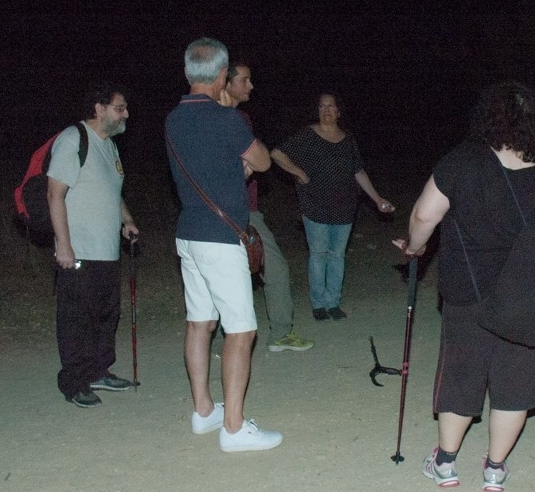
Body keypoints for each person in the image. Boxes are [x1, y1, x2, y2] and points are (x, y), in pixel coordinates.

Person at [395, 82, 535, 492]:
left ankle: (445, 463)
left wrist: (414, 247)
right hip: (532, 295)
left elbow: (424, 216)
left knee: (462, 373)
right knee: (517, 382)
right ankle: (495, 468)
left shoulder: (462, 162)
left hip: (469, 293)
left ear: (488, 118)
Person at [165, 38, 281, 452]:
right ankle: (233, 428)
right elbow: (263, 160)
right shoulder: (226, 119)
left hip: (188, 233)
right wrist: (246, 161)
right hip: (220, 238)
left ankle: (203, 411)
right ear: (220, 75)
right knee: (241, 329)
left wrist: (235, 169)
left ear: (187, 73)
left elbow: (207, 167)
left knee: (200, 322)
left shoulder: (173, 119)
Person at [47, 84, 140, 408]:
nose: (126, 114)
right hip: (79, 250)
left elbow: (112, 192)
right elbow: (54, 194)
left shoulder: (109, 146)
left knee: (105, 315)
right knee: (76, 319)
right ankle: (74, 382)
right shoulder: (74, 139)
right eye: (120, 107)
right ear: (100, 109)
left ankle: (99, 371)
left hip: (106, 251)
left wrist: (126, 220)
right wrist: (63, 245)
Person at [272, 93, 395, 321]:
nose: (326, 110)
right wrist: (298, 171)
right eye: (322, 106)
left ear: (339, 112)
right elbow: (277, 154)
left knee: (337, 256)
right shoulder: (307, 135)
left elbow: (358, 171)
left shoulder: (348, 140)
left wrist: (378, 199)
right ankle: (318, 304)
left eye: (331, 106)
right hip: (315, 205)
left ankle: (333, 303)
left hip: (345, 207)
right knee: (318, 254)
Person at [218, 61, 314, 353]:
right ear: (227, 83)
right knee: (224, 276)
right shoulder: (214, 118)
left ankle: (280, 333)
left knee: (274, 268)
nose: (251, 86)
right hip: (222, 211)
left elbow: (255, 160)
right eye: (245, 80)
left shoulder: (242, 118)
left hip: (249, 210)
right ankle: (225, 341)